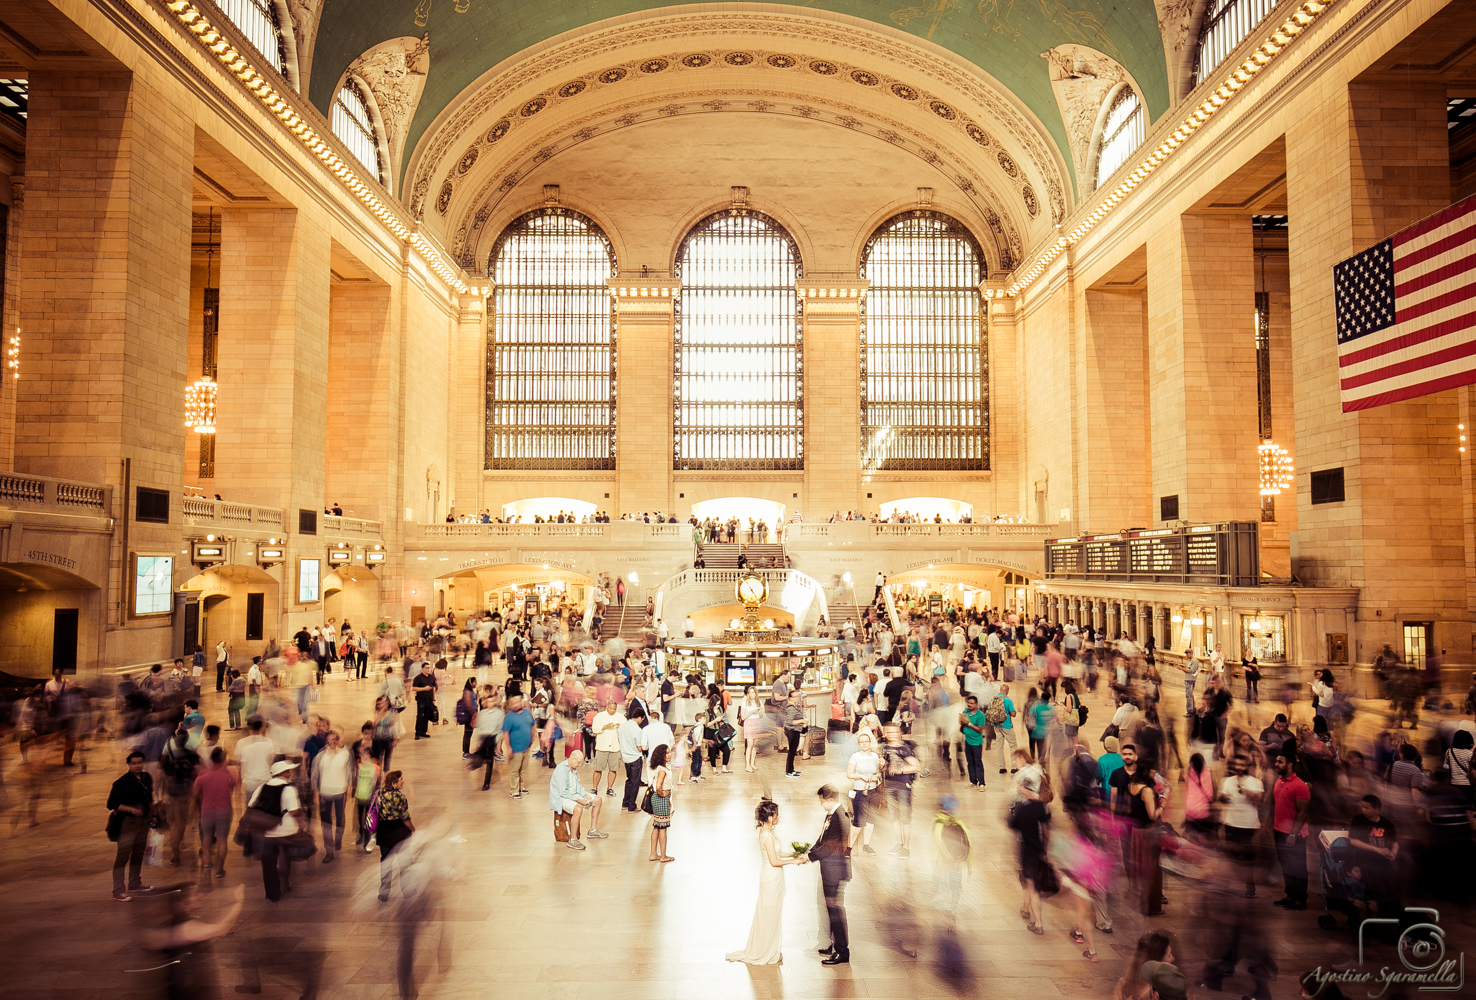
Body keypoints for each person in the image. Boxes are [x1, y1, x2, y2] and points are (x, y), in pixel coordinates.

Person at [726, 799, 807, 964]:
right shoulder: (767, 836)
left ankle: (767, 948)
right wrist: (795, 862)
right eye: (776, 815)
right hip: (771, 877)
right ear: (770, 817)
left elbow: (778, 853)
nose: (778, 817)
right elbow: (774, 861)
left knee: (770, 913)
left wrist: (793, 854)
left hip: (772, 875)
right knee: (769, 914)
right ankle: (766, 952)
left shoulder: (767, 831)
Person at [247, 759, 303, 902]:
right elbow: (294, 811)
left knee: (268, 863)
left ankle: (272, 893)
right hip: (286, 831)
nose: (290, 773)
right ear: (284, 773)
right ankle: (284, 884)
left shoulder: (262, 787)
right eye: (288, 771)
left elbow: (251, 805)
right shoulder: (289, 789)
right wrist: (302, 823)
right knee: (285, 859)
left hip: (267, 831)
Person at [809, 785, 852, 965]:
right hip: (830, 870)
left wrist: (809, 857)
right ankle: (834, 946)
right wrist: (809, 851)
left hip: (834, 870)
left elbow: (830, 846)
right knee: (831, 910)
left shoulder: (839, 816)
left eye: (822, 801)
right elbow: (822, 839)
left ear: (830, 799)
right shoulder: (832, 814)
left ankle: (842, 951)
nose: (821, 804)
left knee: (835, 912)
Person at [107, 750, 154, 901]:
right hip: (128, 822)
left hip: (143, 821)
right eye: (133, 763)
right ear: (128, 764)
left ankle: (135, 882)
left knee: (138, 852)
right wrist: (131, 810)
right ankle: (118, 890)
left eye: (139, 763)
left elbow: (150, 798)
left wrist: (153, 815)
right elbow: (111, 804)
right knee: (123, 856)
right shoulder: (121, 783)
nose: (137, 766)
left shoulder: (146, 778)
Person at [1008, 769, 1052, 934]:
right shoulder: (1042, 807)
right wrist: (1045, 849)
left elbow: (1012, 825)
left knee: (1031, 886)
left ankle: (1038, 924)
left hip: (1026, 852)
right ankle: (1026, 909)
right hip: (1039, 850)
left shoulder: (1022, 810)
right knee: (1031, 883)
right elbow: (1046, 830)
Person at [1218, 753, 1264, 897]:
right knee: (1230, 856)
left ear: (1248, 766)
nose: (1239, 767)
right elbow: (1221, 798)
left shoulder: (1256, 782)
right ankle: (1226, 883)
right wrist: (1223, 798)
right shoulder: (1227, 781)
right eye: (1237, 764)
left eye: (1242, 765)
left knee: (1248, 857)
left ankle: (1250, 886)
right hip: (1231, 822)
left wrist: (1244, 790)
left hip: (1248, 825)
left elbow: (1258, 801)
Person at [1271, 751, 1311, 909]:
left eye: (1280, 762)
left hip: (1295, 833)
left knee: (1298, 866)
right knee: (1286, 864)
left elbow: (1303, 813)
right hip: (1279, 830)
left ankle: (1300, 900)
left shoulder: (1300, 786)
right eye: (1276, 761)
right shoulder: (1278, 781)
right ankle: (1291, 895)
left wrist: (1293, 834)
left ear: (1290, 765)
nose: (1276, 764)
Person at [549, 749, 608, 850]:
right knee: (578, 809)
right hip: (562, 798)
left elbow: (577, 785)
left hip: (573, 794)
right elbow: (562, 792)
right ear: (572, 758)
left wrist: (584, 795)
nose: (580, 765)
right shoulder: (561, 769)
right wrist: (579, 800)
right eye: (579, 762)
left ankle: (593, 830)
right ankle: (573, 840)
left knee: (597, 800)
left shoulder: (573, 768)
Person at [312, 729, 353, 862]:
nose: (331, 742)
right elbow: (315, 773)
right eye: (329, 740)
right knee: (326, 822)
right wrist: (314, 790)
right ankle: (329, 850)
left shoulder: (345, 754)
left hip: (340, 791)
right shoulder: (321, 756)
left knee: (340, 818)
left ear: (337, 740)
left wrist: (349, 786)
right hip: (324, 792)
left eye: (334, 739)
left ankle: (338, 840)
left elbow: (349, 771)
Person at [375, 770, 415, 902]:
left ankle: (384, 892)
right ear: (394, 783)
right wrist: (412, 828)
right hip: (399, 833)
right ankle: (407, 889)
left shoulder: (379, 794)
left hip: (384, 832)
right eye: (401, 780)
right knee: (404, 863)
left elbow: (376, 811)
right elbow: (404, 817)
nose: (403, 781)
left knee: (386, 864)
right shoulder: (400, 796)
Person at [881, 722, 919, 858]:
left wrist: (900, 769)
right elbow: (884, 766)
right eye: (889, 732)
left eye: (894, 732)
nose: (891, 735)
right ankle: (899, 843)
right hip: (889, 786)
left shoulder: (905, 749)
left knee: (905, 818)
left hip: (903, 786)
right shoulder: (885, 748)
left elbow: (916, 766)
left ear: (899, 733)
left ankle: (906, 847)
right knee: (894, 817)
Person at [846, 730, 882, 854]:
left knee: (871, 820)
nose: (864, 744)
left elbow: (878, 771)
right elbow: (849, 774)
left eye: (866, 741)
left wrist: (876, 776)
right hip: (860, 792)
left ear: (870, 742)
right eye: (862, 742)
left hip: (874, 791)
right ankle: (849, 848)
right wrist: (861, 776)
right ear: (859, 744)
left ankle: (866, 845)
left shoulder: (875, 756)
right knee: (858, 821)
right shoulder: (855, 757)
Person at [500, 694, 535, 797]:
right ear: (510, 705)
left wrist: (533, 738)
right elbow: (505, 733)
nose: (516, 705)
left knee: (523, 769)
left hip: (526, 747)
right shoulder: (509, 717)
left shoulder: (527, 713)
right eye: (513, 703)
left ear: (521, 702)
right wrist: (508, 747)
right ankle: (513, 790)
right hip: (516, 748)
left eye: (517, 702)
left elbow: (532, 725)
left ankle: (520, 786)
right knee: (514, 770)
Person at [648, 744, 674, 862]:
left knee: (656, 827)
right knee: (663, 828)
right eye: (666, 753)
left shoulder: (658, 768)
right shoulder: (662, 770)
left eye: (669, 752)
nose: (669, 755)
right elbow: (659, 786)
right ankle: (663, 856)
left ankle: (653, 854)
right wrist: (663, 794)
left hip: (657, 799)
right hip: (661, 799)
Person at [591, 700, 623, 795]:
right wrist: (604, 727)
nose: (612, 710)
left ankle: (609, 788)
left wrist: (620, 727)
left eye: (614, 709)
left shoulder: (621, 717)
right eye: (610, 708)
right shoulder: (599, 716)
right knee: (598, 768)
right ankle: (594, 788)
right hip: (602, 746)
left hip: (615, 747)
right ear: (606, 707)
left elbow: (625, 730)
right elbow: (594, 729)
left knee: (613, 768)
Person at [958, 694, 988, 789]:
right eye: (968, 703)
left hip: (976, 743)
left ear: (976, 704)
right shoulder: (966, 711)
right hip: (967, 741)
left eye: (971, 703)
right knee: (970, 762)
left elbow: (979, 729)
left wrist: (968, 723)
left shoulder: (980, 715)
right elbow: (961, 722)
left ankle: (982, 783)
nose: (969, 705)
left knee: (977, 762)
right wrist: (961, 721)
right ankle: (973, 781)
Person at [783, 688, 807, 777]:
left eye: (797, 696)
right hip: (791, 731)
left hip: (795, 730)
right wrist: (802, 721)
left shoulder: (794, 706)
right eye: (795, 697)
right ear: (790, 698)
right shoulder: (790, 708)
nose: (797, 698)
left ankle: (791, 769)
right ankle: (789, 771)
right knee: (792, 751)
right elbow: (790, 722)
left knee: (793, 751)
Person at [411, 662, 437, 739]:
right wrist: (424, 689)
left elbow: (433, 687)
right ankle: (418, 732)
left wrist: (434, 698)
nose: (428, 669)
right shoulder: (418, 678)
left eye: (429, 668)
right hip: (421, 700)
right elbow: (414, 688)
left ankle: (424, 731)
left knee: (427, 716)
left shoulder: (431, 677)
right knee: (420, 716)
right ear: (422, 668)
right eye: (426, 668)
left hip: (429, 700)